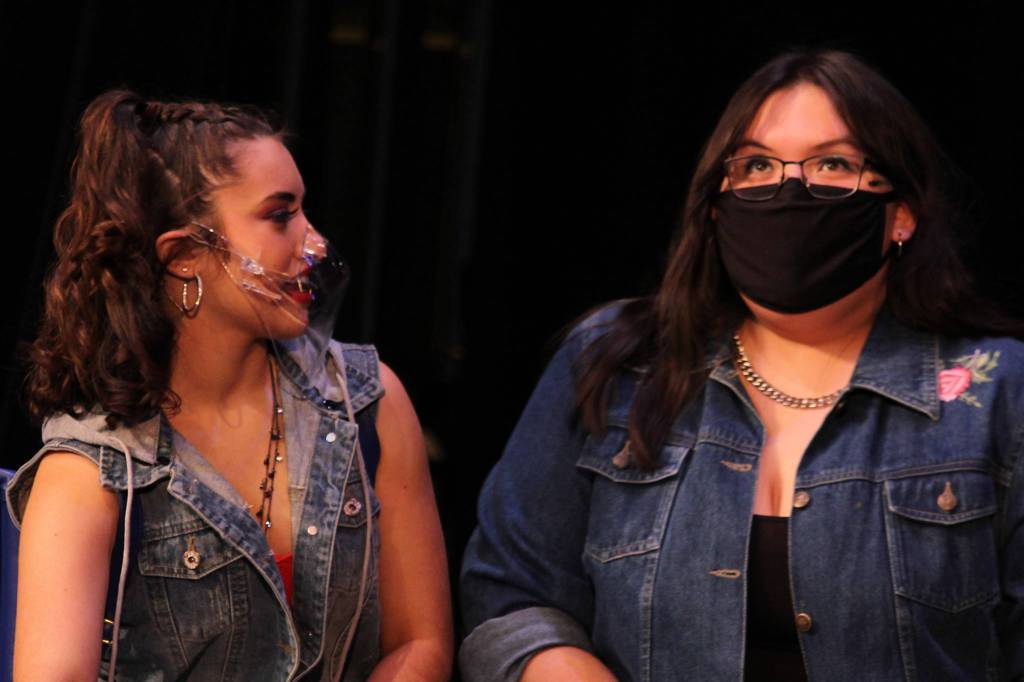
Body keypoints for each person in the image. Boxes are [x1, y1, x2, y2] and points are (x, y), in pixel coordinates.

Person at [459, 49, 1024, 681]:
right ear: (716, 204)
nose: (788, 188)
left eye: (831, 163)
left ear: (901, 215)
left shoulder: (999, 392)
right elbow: (507, 595)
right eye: (756, 164)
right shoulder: (615, 361)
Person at [5, 90, 452, 680]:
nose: (313, 245)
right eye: (280, 215)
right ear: (186, 254)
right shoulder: (95, 469)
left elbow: (421, 640)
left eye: (303, 211)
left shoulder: (367, 403)